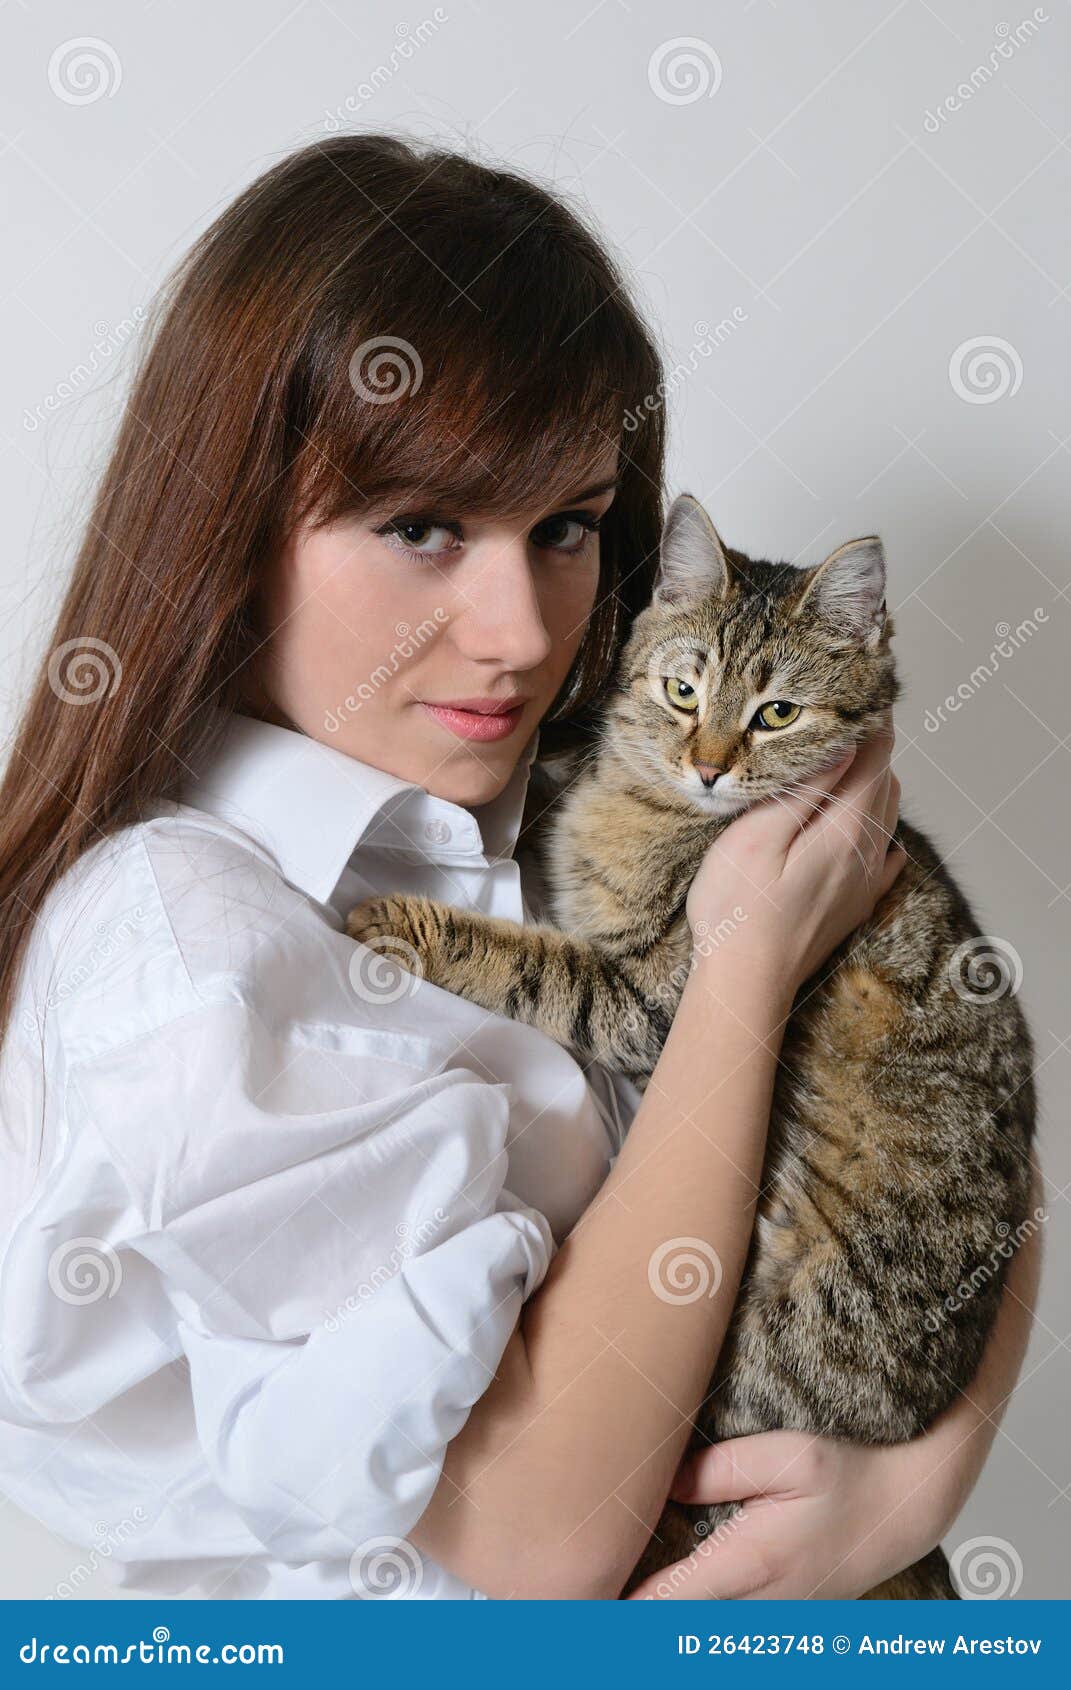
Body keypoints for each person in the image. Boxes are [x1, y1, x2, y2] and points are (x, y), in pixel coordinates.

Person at [0, 135, 1039, 1601]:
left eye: (566, 529)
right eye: (421, 528)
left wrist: (915, 1482)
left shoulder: (549, 809)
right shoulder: (193, 952)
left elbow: (981, 1167)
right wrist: (743, 965)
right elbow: (536, 1547)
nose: (523, 631)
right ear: (230, 526)